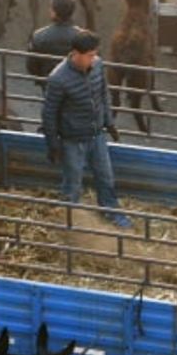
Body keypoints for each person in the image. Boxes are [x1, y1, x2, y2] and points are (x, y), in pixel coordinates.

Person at [41, 30, 132, 228]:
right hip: (73, 140)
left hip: (96, 135)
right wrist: (53, 144)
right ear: (76, 53)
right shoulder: (58, 79)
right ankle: (69, 219)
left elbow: (103, 95)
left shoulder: (98, 66)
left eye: (94, 54)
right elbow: (49, 113)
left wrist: (109, 123)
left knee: (105, 176)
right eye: (90, 55)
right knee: (72, 183)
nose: (94, 58)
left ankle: (111, 211)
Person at [26, 0, 81, 84]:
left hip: (49, 84)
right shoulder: (85, 37)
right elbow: (94, 65)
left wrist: (41, 80)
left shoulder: (38, 36)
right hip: (76, 86)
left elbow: (31, 66)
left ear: (54, 12)